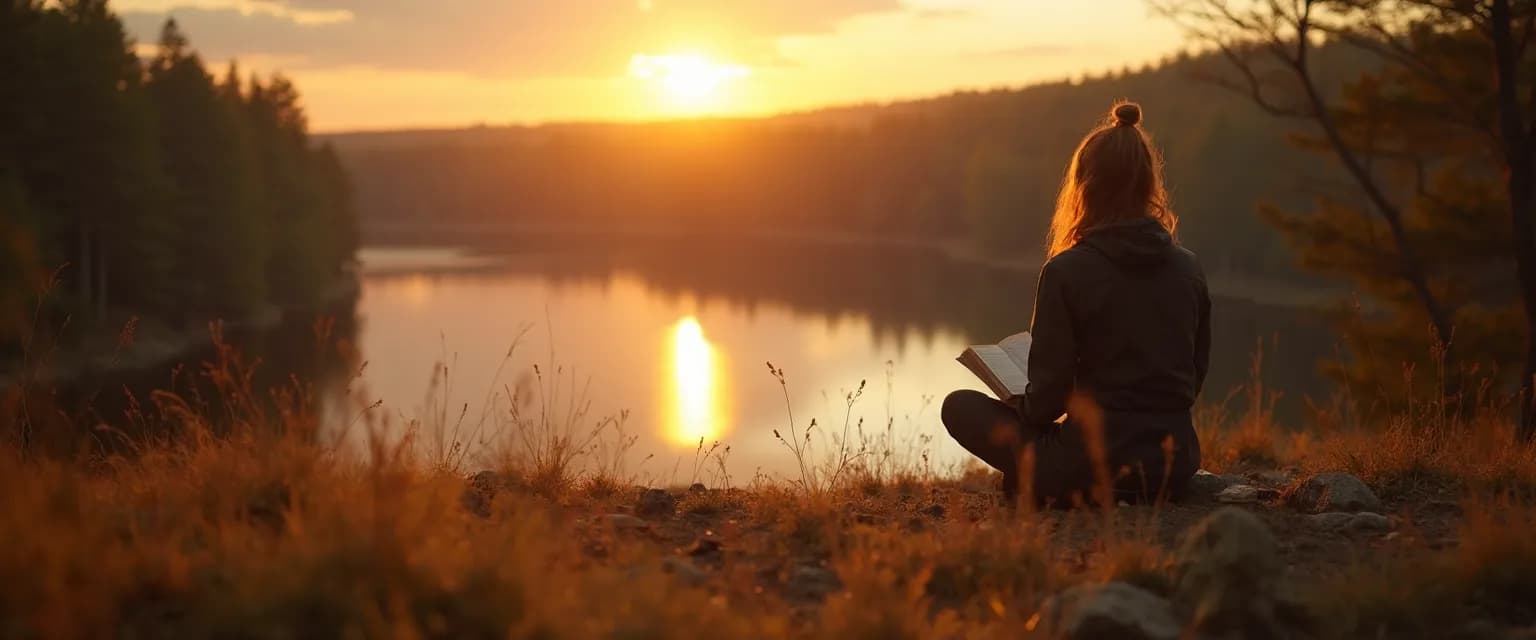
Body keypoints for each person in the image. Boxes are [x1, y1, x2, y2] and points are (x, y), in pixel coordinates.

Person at [941, 101, 1209, 507]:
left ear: (1085, 186)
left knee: (959, 406)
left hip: (1091, 465)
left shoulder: (1067, 272)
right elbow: (1194, 377)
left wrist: (1021, 402)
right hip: (1173, 464)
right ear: (1147, 184)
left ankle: (1056, 488)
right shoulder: (1188, 268)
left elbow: (1044, 407)